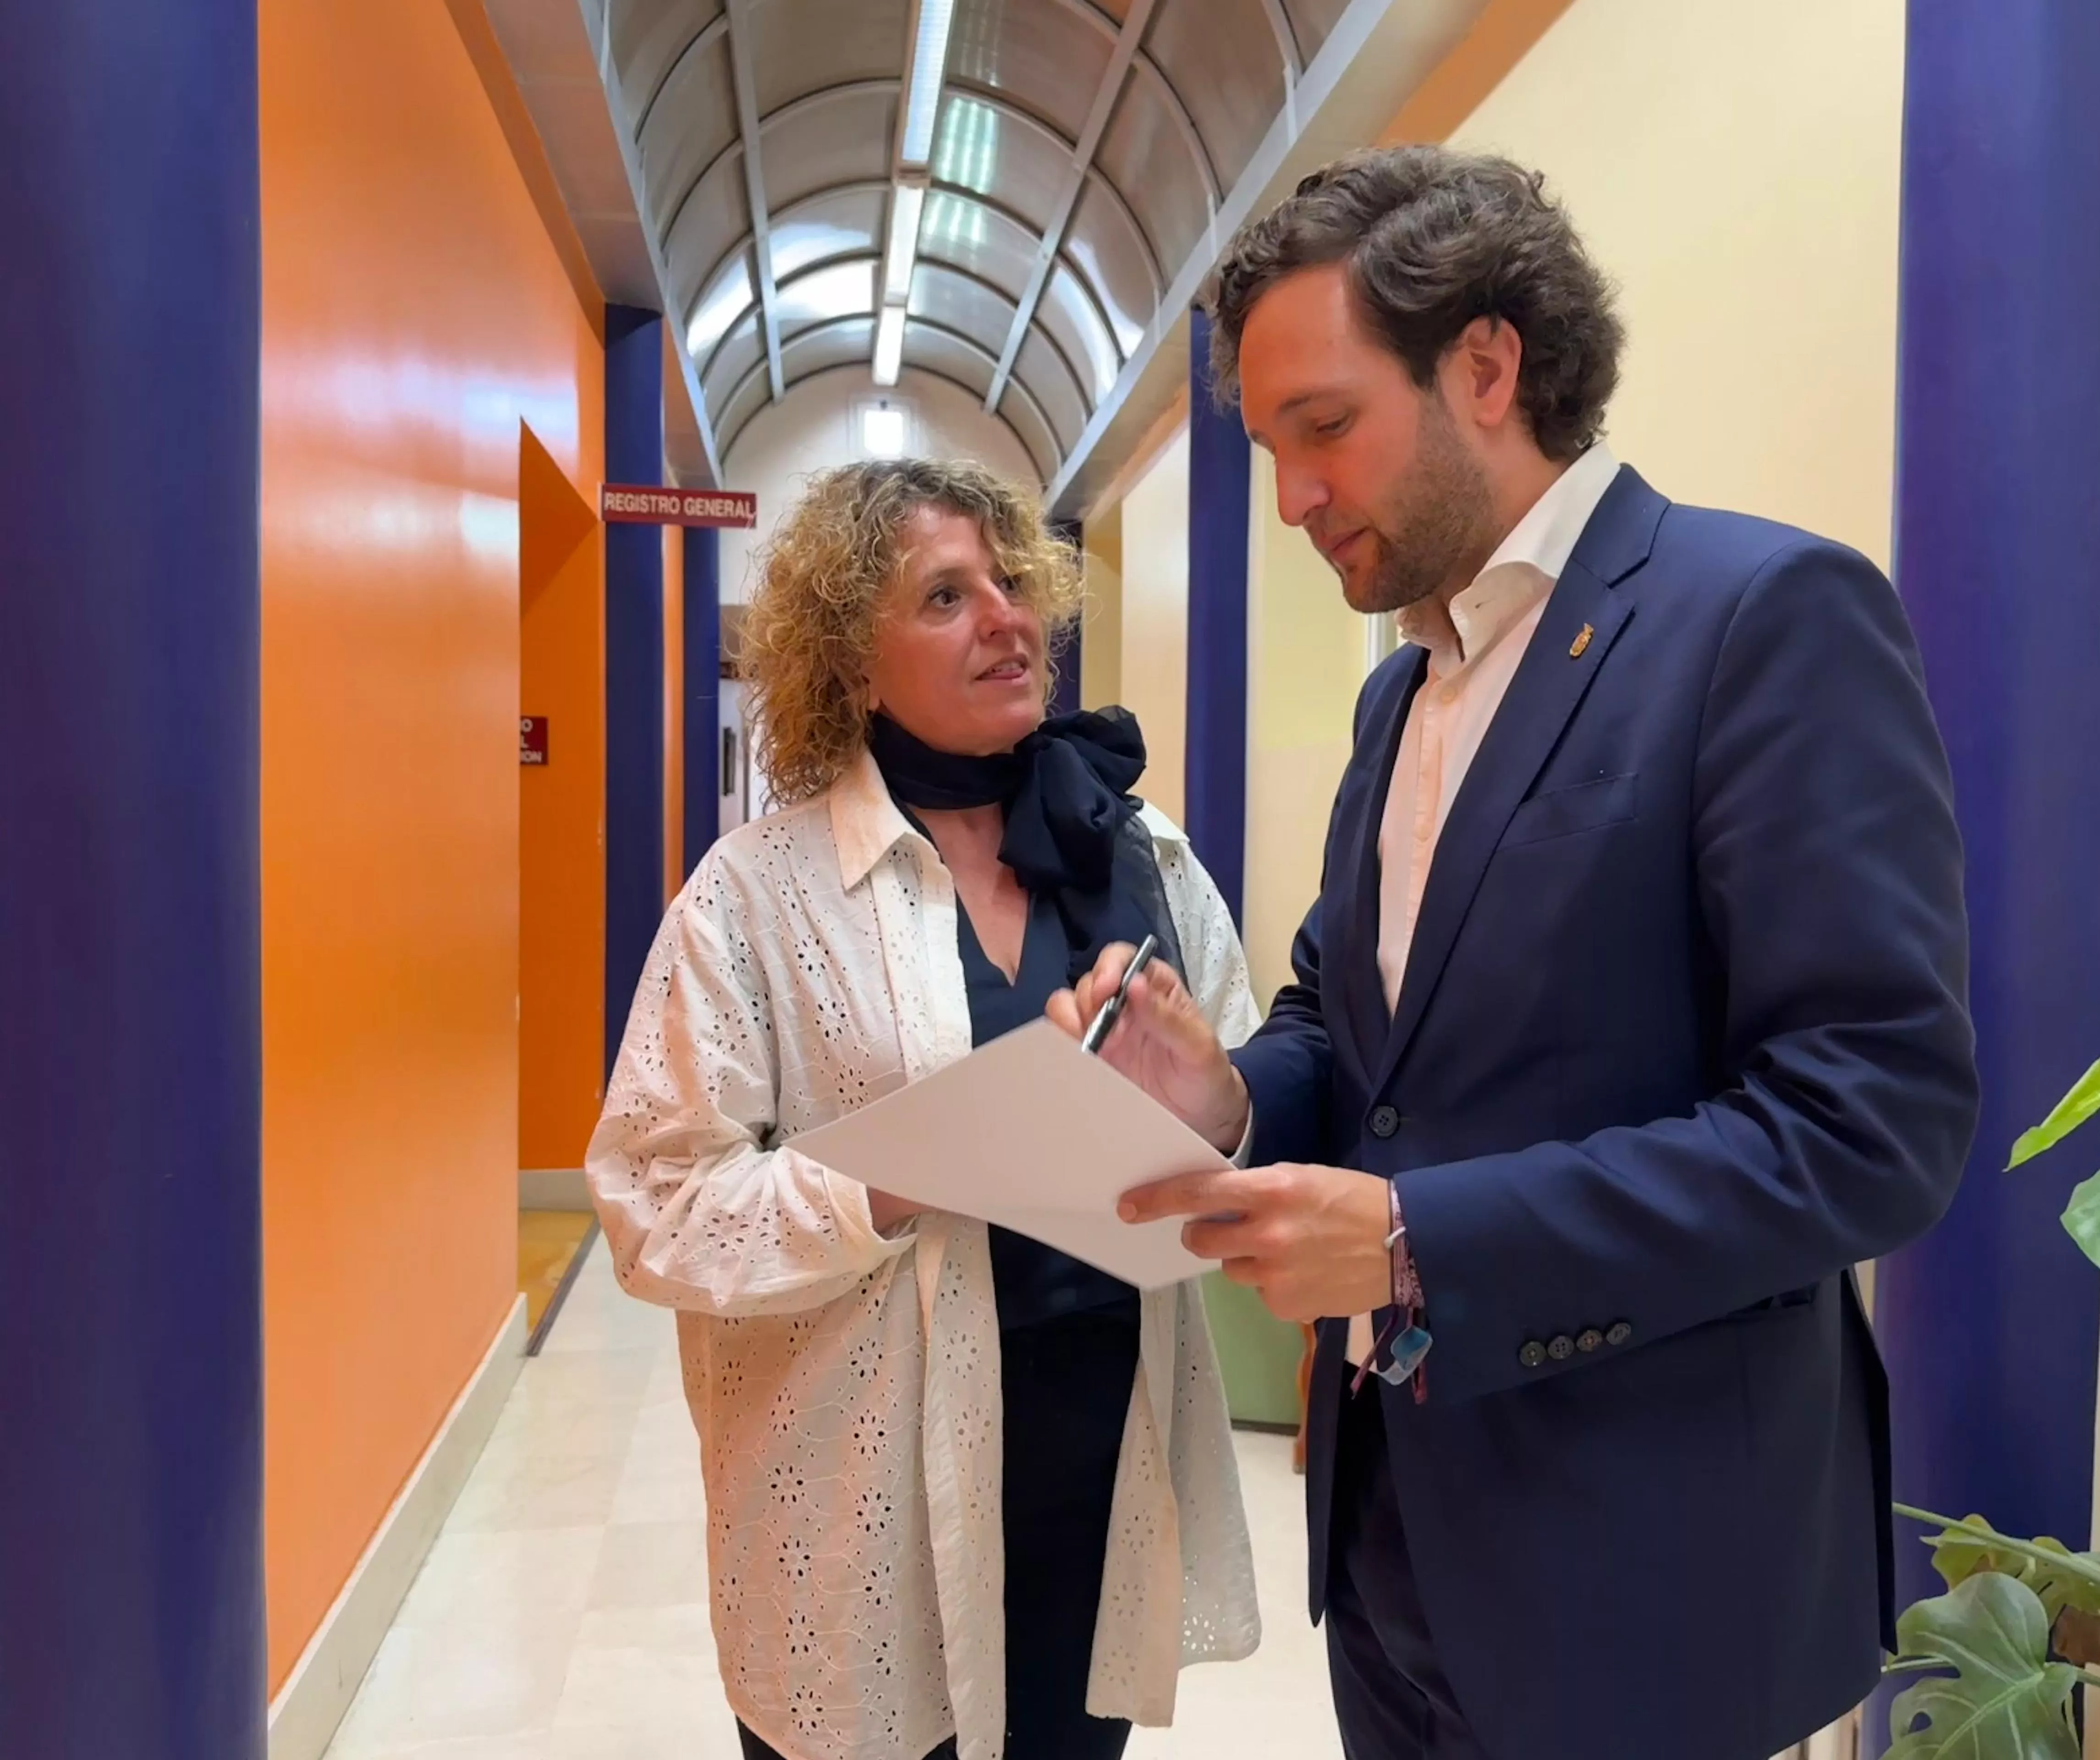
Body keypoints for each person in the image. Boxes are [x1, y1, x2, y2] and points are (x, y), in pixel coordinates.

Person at [1057, 147, 1980, 1760]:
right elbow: (1356, 1031)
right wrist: (1226, 1097)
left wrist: (1421, 1243)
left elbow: (1870, 1125)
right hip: (1395, 1546)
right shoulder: (1398, 692)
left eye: (1325, 426)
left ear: (1486, 366)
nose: (1292, 499)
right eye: (1271, 449)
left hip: (1644, 1572)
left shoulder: (1761, 618)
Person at [586, 457, 1261, 1760]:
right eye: (946, 597)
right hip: (861, 1496)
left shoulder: (1146, 857)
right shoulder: (756, 894)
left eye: (1012, 582)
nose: (1006, 618)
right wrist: (904, 1174)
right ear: (852, 663)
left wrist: (1220, 1108)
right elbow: (654, 1204)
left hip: (1101, 1465)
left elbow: (1239, 1099)